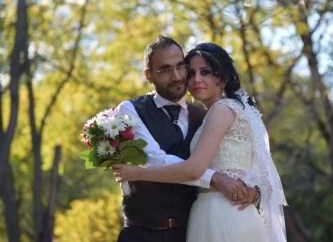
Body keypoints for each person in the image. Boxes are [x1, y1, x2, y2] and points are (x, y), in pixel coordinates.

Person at [113, 42, 288, 242]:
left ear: (221, 78)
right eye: (166, 69)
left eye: (182, 67)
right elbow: (156, 159)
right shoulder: (132, 110)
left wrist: (253, 191)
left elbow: (256, 164)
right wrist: (216, 178)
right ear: (149, 76)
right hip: (145, 233)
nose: (181, 76)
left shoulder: (213, 114)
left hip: (211, 219)